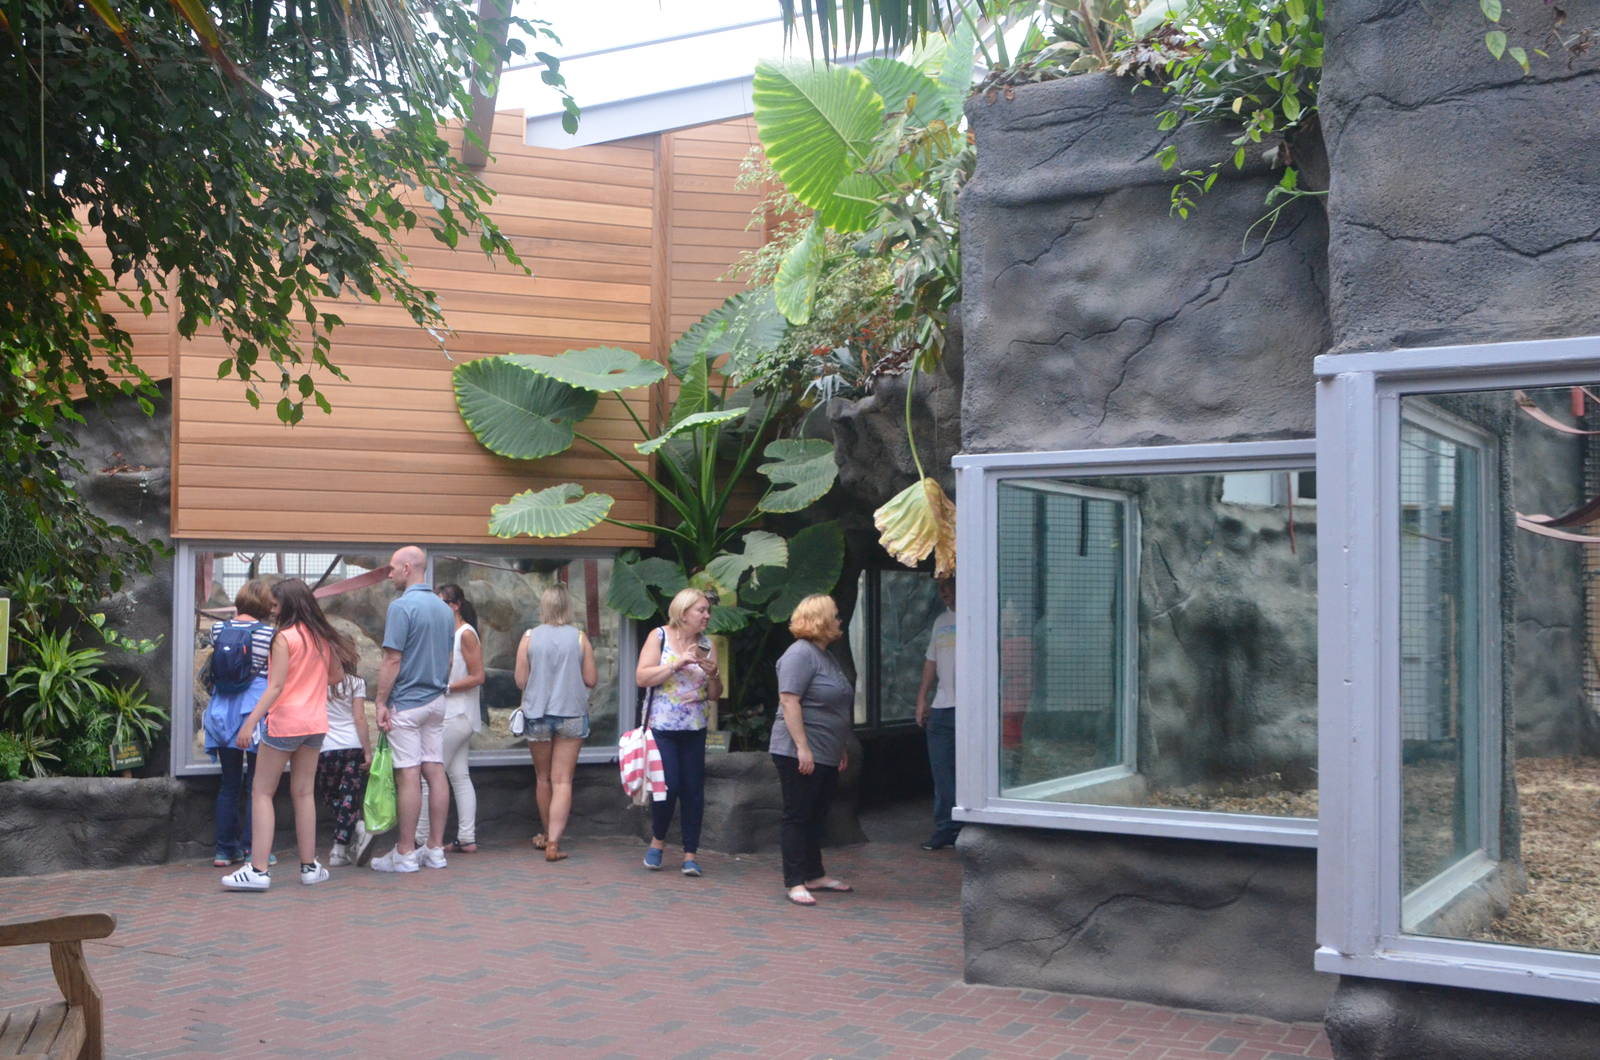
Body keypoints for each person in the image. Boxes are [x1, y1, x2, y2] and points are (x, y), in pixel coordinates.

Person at [222, 579, 356, 891]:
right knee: (303, 793)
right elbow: (337, 676)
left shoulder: (283, 638)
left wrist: (248, 723)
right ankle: (309, 866)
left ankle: (257, 869)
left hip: (285, 723)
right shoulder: (321, 637)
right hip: (315, 724)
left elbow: (276, 686)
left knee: (262, 792)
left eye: (275, 604)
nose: (271, 608)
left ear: (288, 604)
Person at [370, 545, 456, 874]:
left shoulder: (401, 607)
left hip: (407, 702)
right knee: (435, 770)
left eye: (392, 568)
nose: (389, 573)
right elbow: (449, 658)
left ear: (407, 568)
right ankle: (435, 849)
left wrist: (380, 701)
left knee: (408, 774)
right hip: (437, 700)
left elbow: (393, 658)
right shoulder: (444, 609)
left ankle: (405, 851)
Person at [769, 594, 855, 906]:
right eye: (834, 614)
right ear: (820, 619)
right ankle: (794, 880)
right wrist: (803, 747)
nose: (839, 620)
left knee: (817, 813)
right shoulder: (799, 654)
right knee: (798, 814)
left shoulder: (825, 655)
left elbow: (835, 705)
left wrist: (840, 745)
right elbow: (789, 699)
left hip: (827, 750)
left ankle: (814, 873)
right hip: (798, 751)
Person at [634, 587, 721, 876]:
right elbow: (642, 676)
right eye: (701, 610)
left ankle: (690, 855)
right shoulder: (658, 636)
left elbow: (714, 694)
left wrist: (714, 675)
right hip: (663, 727)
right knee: (667, 786)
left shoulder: (708, 643)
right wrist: (676, 663)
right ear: (684, 613)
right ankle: (658, 842)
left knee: (693, 791)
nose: (707, 615)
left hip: (695, 728)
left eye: (708, 610)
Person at [515, 584, 598, 863]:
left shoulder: (529, 637)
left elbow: (520, 681)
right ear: (567, 607)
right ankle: (553, 842)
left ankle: (544, 832)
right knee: (563, 780)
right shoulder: (579, 638)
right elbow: (591, 679)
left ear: (544, 607)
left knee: (543, 778)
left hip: (537, 714)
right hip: (571, 713)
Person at [202, 579, 276, 868]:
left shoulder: (218, 629)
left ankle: (223, 850)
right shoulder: (270, 634)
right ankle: (254, 849)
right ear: (264, 604)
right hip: (255, 710)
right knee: (259, 786)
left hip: (223, 709)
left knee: (229, 783)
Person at [416, 583, 486, 853]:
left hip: (457, 714)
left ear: (455, 605)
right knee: (459, 775)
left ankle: (420, 837)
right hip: (455, 714)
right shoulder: (449, 633)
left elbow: (478, 676)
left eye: (443, 603)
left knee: (428, 774)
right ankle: (467, 837)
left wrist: (446, 687)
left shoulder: (465, 634)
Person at [915, 577, 960, 851]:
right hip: (942, 706)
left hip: (969, 709)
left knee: (966, 770)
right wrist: (923, 699)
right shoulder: (940, 622)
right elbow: (931, 661)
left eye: (948, 586)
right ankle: (946, 829)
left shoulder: (977, 617)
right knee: (941, 771)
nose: (944, 592)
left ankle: (967, 827)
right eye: (941, 587)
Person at [318, 670, 372, 867]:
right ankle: (357, 827)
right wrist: (367, 750)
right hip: (353, 745)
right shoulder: (356, 682)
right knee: (348, 797)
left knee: (330, 796)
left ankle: (339, 850)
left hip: (326, 748)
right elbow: (359, 717)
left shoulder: (317, 680)